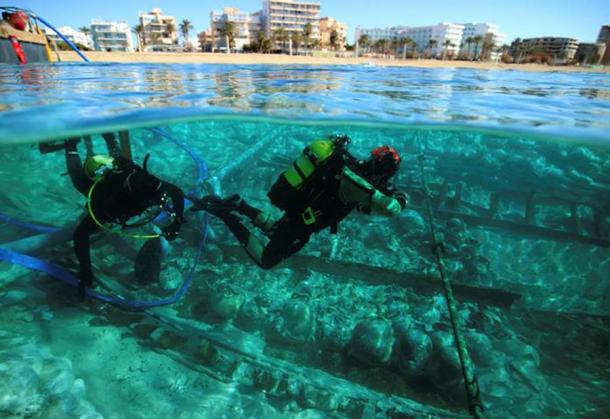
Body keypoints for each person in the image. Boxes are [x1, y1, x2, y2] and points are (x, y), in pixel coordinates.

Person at [191, 134, 408, 269]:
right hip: (302, 224)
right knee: (266, 261)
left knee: (277, 229)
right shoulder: (358, 183)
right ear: (384, 173)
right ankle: (227, 215)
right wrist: (394, 195)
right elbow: (392, 208)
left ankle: (240, 205)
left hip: (300, 213)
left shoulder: (349, 167)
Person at [42, 132, 185, 295]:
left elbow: (177, 192)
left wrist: (177, 223)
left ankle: (106, 139)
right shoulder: (108, 206)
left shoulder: (147, 183)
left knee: (123, 164)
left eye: (158, 198)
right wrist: (86, 271)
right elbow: (80, 235)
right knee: (80, 181)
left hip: (124, 175)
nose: (159, 200)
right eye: (156, 199)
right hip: (109, 195)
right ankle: (72, 145)